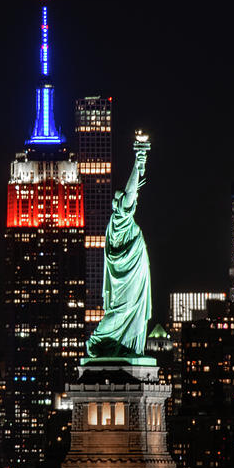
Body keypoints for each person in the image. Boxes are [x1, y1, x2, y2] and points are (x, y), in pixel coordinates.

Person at [86, 142, 152, 358]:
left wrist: (140, 168)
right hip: (127, 277)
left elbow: (133, 192)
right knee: (122, 310)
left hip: (132, 274)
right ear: (119, 204)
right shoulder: (121, 219)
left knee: (126, 310)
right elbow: (131, 192)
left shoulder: (117, 223)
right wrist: (138, 160)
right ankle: (98, 339)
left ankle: (124, 345)